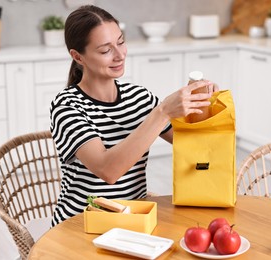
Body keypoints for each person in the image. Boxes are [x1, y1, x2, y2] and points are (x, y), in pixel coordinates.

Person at [50, 5, 218, 226]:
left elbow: (195, 148)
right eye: (105, 50)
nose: (120, 55)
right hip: (80, 226)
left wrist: (206, 107)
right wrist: (163, 112)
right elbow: (108, 171)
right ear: (77, 56)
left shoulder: (139, 97)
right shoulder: (67, 106)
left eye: (120, 42)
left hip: (134, 222)